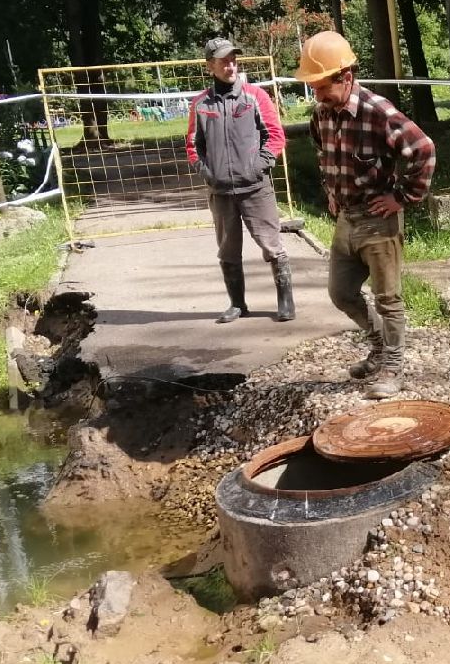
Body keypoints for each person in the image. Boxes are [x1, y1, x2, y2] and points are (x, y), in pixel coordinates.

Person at [295, 30, 435, 399]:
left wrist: (403, 198)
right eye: (313, 88)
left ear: (345, 76)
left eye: (322, 86)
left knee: (388, 298)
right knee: (341, 293)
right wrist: (331, 191)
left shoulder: (377, 111)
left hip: (378, 219)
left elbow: (423, 148)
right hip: (346, 219)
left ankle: (393, 366)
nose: (317, 95)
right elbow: (322, 151)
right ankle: (377, 347)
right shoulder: (322, 115)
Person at [185, 37, 294, 323]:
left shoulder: (256, 97)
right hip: (220, 192)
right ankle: (237, 304)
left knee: (272, 246)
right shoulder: (199, 104)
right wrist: (206, 172)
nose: (231, 65)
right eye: (224, 61)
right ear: (211, 66)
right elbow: (193, 145)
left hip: (256, 188)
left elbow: (275, 135)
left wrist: (261, 165)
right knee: (228, 251)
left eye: (233, 59)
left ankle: (285, 301)